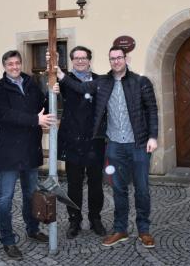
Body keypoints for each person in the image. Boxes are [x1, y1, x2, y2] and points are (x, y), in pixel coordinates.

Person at [56, 46, 159, 248]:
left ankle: (144, 230)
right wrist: (60, 74)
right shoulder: (103, 82)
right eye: (112, 58)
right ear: (109, 61)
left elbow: (152, 109)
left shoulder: (140, 81)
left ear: (126, 59)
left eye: (119, 58)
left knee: (142, 189)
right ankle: (120, 229)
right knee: (118, 189)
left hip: (138, 144)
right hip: (114, 144)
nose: (116, 61)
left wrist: (153, 137)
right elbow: (82, 89)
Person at [0, 50, 56, 259]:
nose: (15, 67)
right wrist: (34, 120)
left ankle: (33, 229)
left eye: (17, 63)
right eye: (10, 64)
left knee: (30, 195)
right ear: (4, 66)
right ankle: (8, 241)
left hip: (29, 149)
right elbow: (4, 114)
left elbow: (42, 105)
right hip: (8, 152)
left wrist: (52, 91)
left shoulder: (31, 83)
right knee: (5, 198)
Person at [53, 46, 106, 239]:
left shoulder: (100, 80)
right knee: (73, 186)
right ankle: (74, 221)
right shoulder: (64, 81)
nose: (80, 61)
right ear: (72, 61)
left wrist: (62, 76)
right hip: (73, 140)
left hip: (95, 141)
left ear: (90, 60)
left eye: (84, 58)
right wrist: (54, 88)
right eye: (76, 58)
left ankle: (95, 219)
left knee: (96, 184)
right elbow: (50, 95)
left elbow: (84, 90)